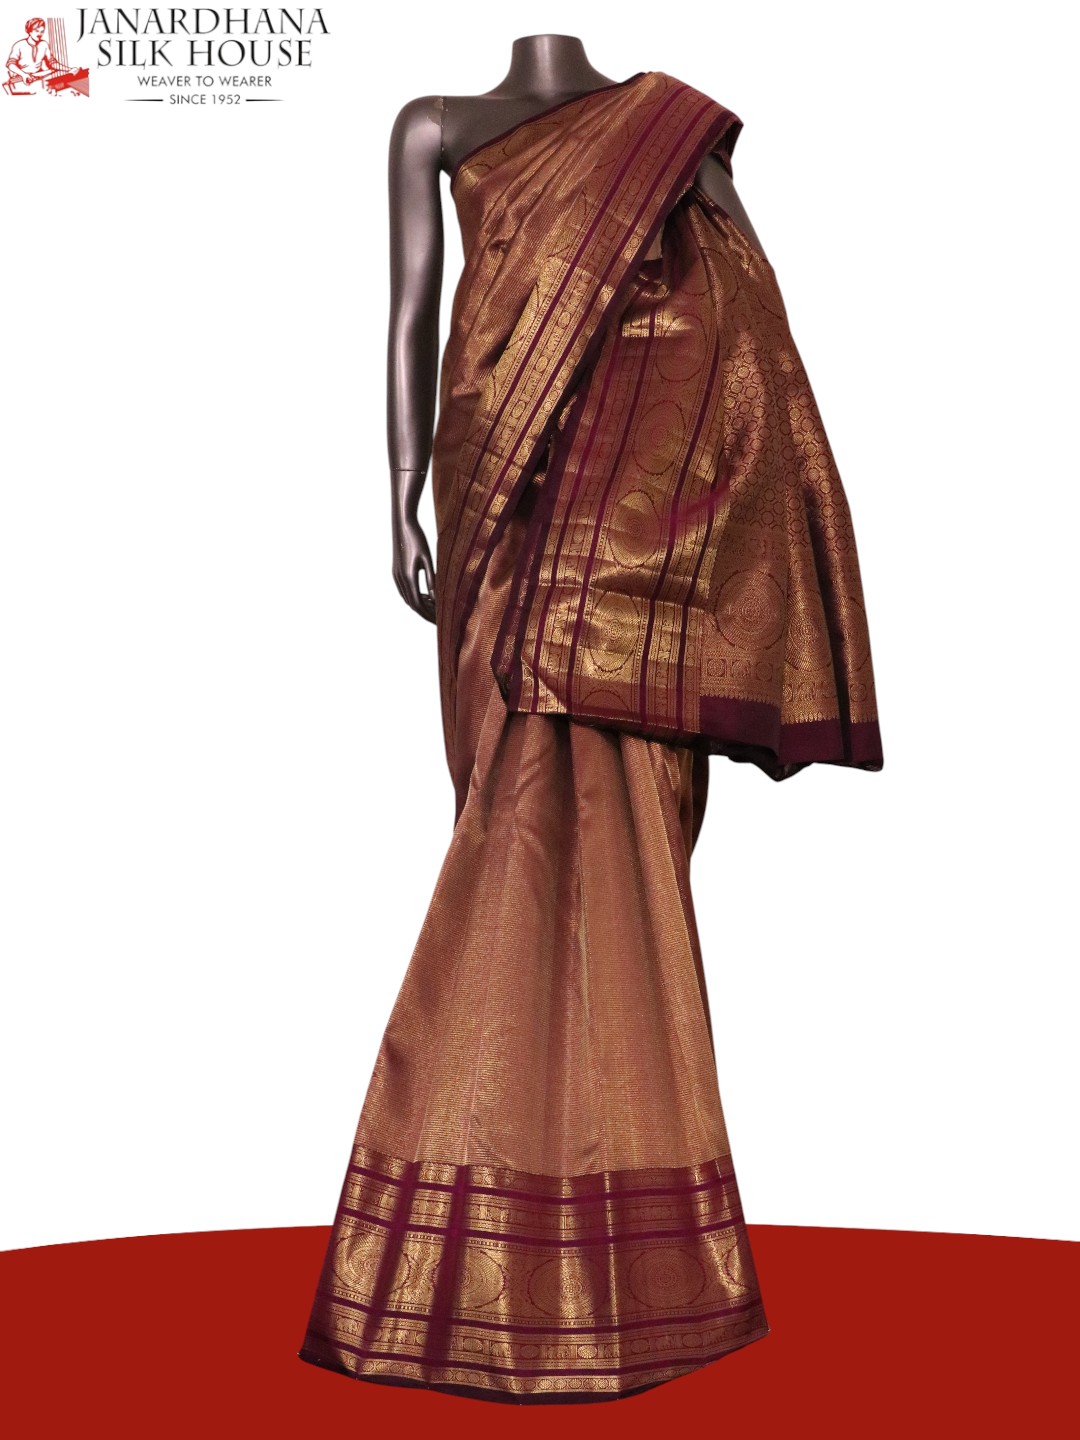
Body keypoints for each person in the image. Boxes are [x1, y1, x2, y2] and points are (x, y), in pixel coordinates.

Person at [299, 46, 882, 1405]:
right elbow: (413, 321)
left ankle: (498, 1267)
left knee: (567, 861)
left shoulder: (668, 134)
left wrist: (676, 539)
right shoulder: (433, 124)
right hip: (495, 523)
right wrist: (406, 488)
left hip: (614, 561)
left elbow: (748, 338)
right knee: (504, 826)